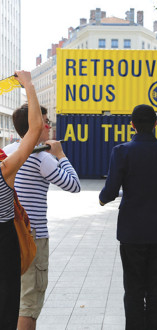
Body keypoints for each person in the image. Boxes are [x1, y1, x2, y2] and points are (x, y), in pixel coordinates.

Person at [99, 104, 157, 330]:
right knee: (154, 289)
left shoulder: (121, 151)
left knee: (134, 289)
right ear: (156, 124)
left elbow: (109, 192)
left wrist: (101, 199)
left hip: (131, 231)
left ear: (132, 125)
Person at [3, 104, 81, 330]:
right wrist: (60, 155)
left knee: (12, 299)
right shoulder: (41, 158)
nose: (48, 126)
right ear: (35, 126)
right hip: (32, 236)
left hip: (9, 232)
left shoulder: (8, 152)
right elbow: (74, 185)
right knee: (29, 303)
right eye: (45, 121)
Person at [0, 71, 43, 330]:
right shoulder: (5, 169)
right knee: (6, 312)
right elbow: (36, 128)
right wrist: (28, 84)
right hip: (4, 244)